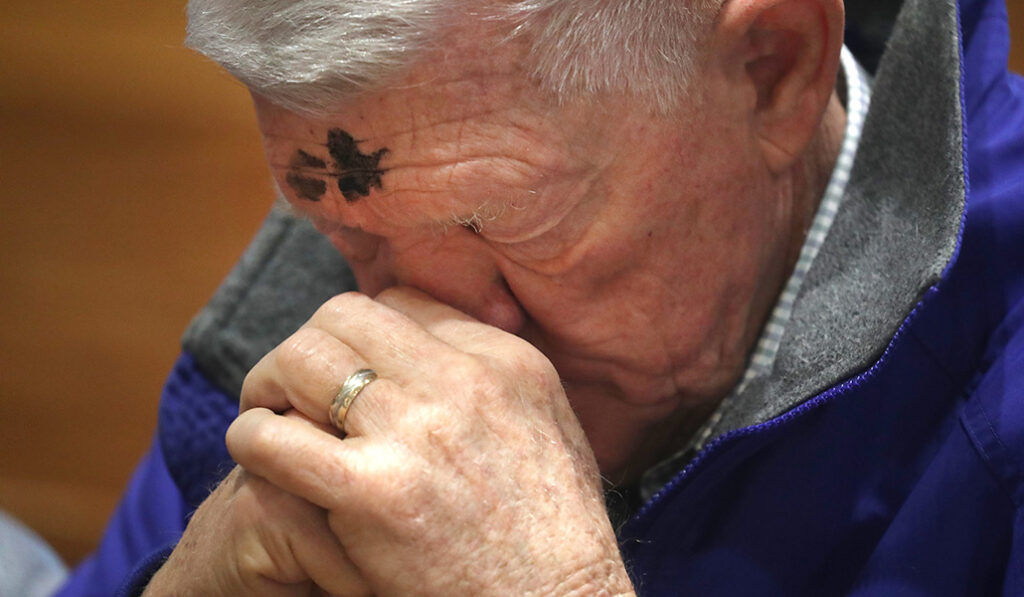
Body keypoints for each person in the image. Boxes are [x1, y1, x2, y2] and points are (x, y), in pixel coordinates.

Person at [54, 0, 1024, 594]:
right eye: (343, 233)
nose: (427, 330)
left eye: (496, 228)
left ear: (772, 67)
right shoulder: (322, 311)